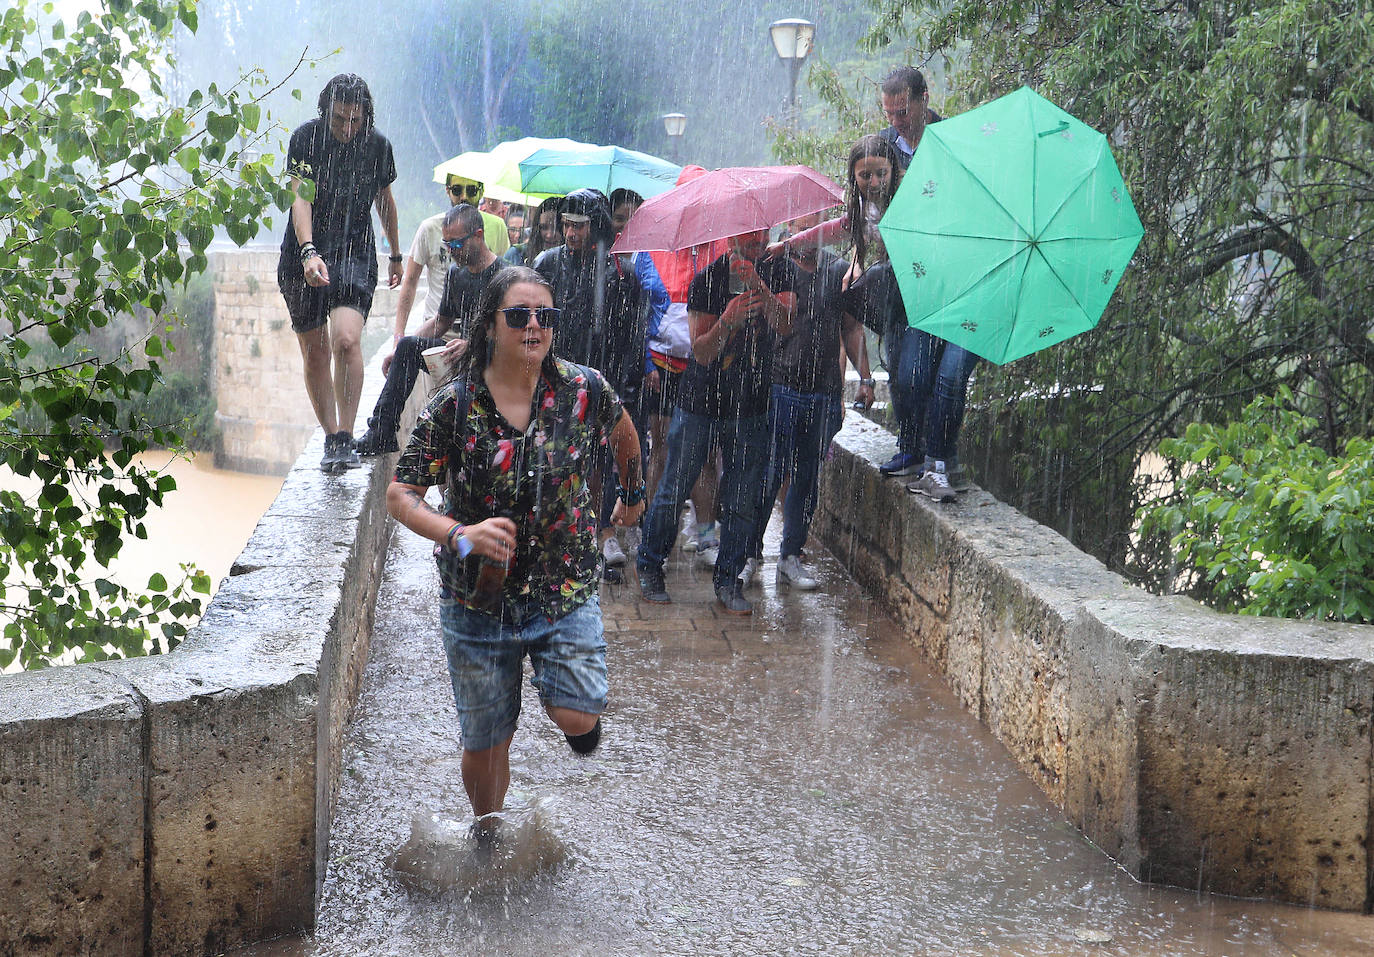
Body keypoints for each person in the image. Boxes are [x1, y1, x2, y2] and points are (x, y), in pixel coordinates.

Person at [387, 266, 644, 837]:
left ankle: (571, 711)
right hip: (478, 598)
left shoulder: (583, 389)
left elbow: (623, 427)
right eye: (520, 315)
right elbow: (401, 494)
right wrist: (460, 533)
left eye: (545, 317)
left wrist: (634, 491)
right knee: (486, 739)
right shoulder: (455, 407)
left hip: (563, 586)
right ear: (489, 324)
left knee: (577, 714)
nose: (534, 325)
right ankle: (489, 833)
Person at [635, 229, 796, 616]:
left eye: (762, 230)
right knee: (676, 486)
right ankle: (650, 565)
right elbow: (702, 352)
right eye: (749, 232)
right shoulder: (708, 278)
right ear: (733, 235)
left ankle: (729, 578)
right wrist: (728, 319)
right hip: (701, 402)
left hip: (751, 404)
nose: (758, 238)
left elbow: (787, 326)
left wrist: (760, 287)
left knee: (743, 496)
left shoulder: (779, 272)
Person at [277, 73, 402, 473]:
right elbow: (300, 196)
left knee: (346, 340)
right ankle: (331, 436)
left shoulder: (378, 146)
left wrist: (396, 254)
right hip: (304, 248)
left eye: (355, 120)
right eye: (339, 120)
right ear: (325, 113)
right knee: (315, 349)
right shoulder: (306, 140)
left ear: (366, 115)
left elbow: (385, 201)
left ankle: (347, 434)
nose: (347, 129)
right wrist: (309, 251)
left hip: (354, 249)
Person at [740, 239, 873, 590]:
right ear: (793, 224)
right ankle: (749, 552)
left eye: (815, 223)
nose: (808, 232)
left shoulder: (837, 270)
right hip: (780, 384)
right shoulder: (774, 266)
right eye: (801, 223)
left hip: (824, 390)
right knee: (769, 474)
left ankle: (791, 556)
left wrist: (866, 377)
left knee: (807, 477)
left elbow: (851, 328)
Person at [534, 189, 653, 574]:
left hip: (602, 380)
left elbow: (633, 336)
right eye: (566, 224)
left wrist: (622, 386)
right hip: (555, 377)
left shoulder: (621, 273)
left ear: (596, 227)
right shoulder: (548, 264)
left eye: (579, 226)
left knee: (600, 460)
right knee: (552, 457)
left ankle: (601, 531)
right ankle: (554, 530)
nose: (570, 233)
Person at [354, 204, 505, 455]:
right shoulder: (457, 274)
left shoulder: (506, 276)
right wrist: (401, 348)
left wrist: (473, 345)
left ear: (478, 235)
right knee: (408, 347)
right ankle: (382, 432)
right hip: (462, 356)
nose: (451, 252)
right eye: (447, 245)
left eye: (457, 245)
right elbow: (441, 322)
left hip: (493, 363)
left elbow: (512, 336)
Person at [643, 167, 731, 563]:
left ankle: (707, 531)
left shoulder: (725, 244)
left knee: (706, 453)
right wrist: (645, 361)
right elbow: (641, 309)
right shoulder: (655, 242)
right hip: (661, 364)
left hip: (706, 363)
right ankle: (656, 528)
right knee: (661, 447)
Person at [878, 65, 942, 170]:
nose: (895, 122)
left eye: (903, 113)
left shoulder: (947, 138)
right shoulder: (882, 145)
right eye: (889, 113)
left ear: (924, 100)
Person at [441, 176, 511, 258]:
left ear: (481, 192)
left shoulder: (497, 225)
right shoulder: (430, 227)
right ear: (448, 191)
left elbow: (505, 266)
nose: (464, 197)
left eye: (471, 191)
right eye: (457, 190)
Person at [504, 197, 561, 267]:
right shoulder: (517, 254)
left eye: (556, 228)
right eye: (544, 227)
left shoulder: (571, 260)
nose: (549, 235)